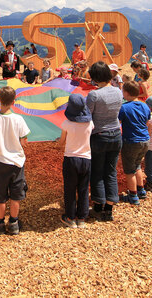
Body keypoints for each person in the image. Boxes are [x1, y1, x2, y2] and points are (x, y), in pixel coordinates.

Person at [0, 86, 30, 235]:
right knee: (16, 194)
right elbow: (24, 141)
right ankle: (14, 222)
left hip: (0, 161)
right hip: (17, 163)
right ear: (14, 101)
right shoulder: (19, 119)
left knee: (0, 194)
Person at [86, 61, 123, 222]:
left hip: (99, 135)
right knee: (110, 171)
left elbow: (87, 115)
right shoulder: (118, 92)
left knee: (97, 172)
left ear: (95, 77)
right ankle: (109, 207)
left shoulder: (94, 95)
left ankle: (98, 205)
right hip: (116, 133)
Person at [57, 94, 94, 228]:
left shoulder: (67, 123)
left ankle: (70, 217)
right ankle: (82, 218)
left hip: (71, 159)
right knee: (84, 189)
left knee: (70, 188)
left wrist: (58, 141)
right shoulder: (90, 123)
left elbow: (61, 142)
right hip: (86, 159)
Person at [118, 82, 151, 205]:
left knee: (129, 170)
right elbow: (148, 122)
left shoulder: (125, 107)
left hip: (131, 141)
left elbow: (118, 122)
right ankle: (141, 190)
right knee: (137, 165)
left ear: (126, 93)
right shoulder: (145, 106)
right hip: (145, 140)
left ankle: (133, 195)